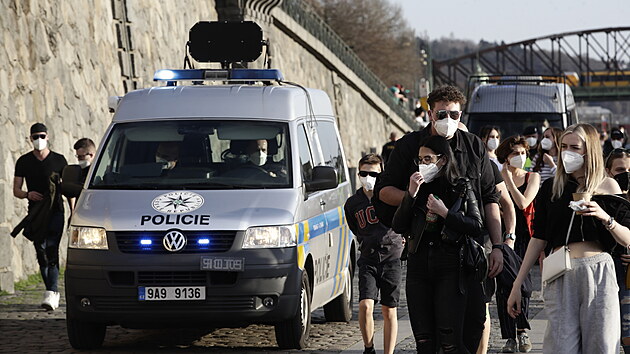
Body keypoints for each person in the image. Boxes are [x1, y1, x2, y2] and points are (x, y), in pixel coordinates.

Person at [374, 84, 504, 352]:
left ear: (461, 115)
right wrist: (415, 199)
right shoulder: (409, 145)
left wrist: (499, 246)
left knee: (459, 336)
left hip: (460, 254)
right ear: (430, 114)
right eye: (442, 114)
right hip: (420, 249)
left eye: (454, 115)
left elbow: (490, 199)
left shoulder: (473, 147)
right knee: (425, 340)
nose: (448, 120)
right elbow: (384, 192)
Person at [508, 123, 630, 353]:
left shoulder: (607, 185)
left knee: (602, 345)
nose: (567, 152)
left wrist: (604, 216)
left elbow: (627, 238)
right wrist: (518, 284)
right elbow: (538, 238)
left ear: (590, 150)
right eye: (563, 146)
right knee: (560, 346)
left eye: (575, 147)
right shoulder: (552, 188)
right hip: (560, 271)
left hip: (598, 271)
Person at [392, 135, 486, 353]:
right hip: (418, 265)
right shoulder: (416, 187)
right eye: (420, 160)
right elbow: (398, 224)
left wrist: (445, 213)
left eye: (428, 159)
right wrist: (410, 194)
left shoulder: (460, 186)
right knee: (423, 340)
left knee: (450, 340)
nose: (423, 164)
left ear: (442, 160)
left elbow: (476, 224)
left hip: (450, 265)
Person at [344, 154, 403, 354]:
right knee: (365, 306)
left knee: (389, 309)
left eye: (373, 173)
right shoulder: (353, 203)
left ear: (381, 174)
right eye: (364, 173)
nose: (368, 177)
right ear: (358, 174)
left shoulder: (389, 197)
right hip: (368, 258)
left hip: (392, 257)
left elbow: (403, 219)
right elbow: (355, 228)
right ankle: (368, 348)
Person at [12, 123, 68, 311]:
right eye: (35, 136)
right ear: (30, 139)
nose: (39, 140)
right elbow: (16, 190)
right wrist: (28, 194)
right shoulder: (24, 161)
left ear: (48, 136)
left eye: (42, 136)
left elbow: (68, 190)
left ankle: (51, 292)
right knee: (41, 252)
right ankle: (50, 290)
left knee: (52, 249)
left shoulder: (59, 160)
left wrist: (74, 211)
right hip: (35, 213)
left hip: (56, 211)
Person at [495, 136, 540, 352]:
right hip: (504, 236)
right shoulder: (497, 178)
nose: (520, 157)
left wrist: (509, 180)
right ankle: (509, 337)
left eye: (523, 153)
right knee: (504, 285)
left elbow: (523, 203)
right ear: (505, 157)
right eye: (515, 153)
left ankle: (522, 331)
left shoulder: (533, 177)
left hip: (527, 237)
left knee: (523, 285)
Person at [605, 148, 630, 353]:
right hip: (614, 271)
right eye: (620, 170)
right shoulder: (605, 200)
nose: (626, 175)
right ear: (608, 171)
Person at [64, 138, 96, 211]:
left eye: (81, 156)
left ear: (91, 155)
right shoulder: (78, 171)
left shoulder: (101, 172)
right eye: (78, 156)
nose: (79, 159)